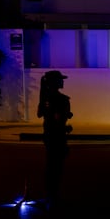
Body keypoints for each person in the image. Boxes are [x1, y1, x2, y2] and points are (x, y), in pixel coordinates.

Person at [37, 70, 73, 209]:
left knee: (51, 166)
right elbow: (57, 121)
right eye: (60, 79)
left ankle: (50, 196)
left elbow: (40, 114)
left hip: (48, 135)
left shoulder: (46, 98)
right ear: (54, 82)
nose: (62, 81)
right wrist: (65, 128)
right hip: (57, 137)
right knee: (56, 167)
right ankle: (52, 197)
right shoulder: (62, 99)